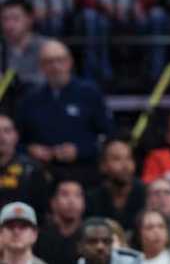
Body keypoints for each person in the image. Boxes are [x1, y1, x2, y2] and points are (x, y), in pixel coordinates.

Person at [14, 40, 114, 180]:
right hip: (40, 173)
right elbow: (16, 139)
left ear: (69, 62)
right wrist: (30, 149)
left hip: (82, 172)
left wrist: (79, 151)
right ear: (40, 66)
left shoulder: (89, 93)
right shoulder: (30, 98)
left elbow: (107, 135)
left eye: (60, 60)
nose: (55, 67)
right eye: (49, 62)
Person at [85, 137, 147, 231]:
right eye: (117, 159)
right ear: (103, 166)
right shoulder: (92, 199)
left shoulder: (145, 195)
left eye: (129, 158)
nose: (125, 165)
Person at [0, 114, 48, 212]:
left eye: (6, 130)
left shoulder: (31, 169)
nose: (1, 136)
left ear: (16, 136)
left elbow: (40, 211)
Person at [34, 179, 85, 264]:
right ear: (53, 202)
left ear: (84, 203)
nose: (71, 201)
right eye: (65, 195)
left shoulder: (89, 237)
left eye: (77, 195)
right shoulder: (39, 239)